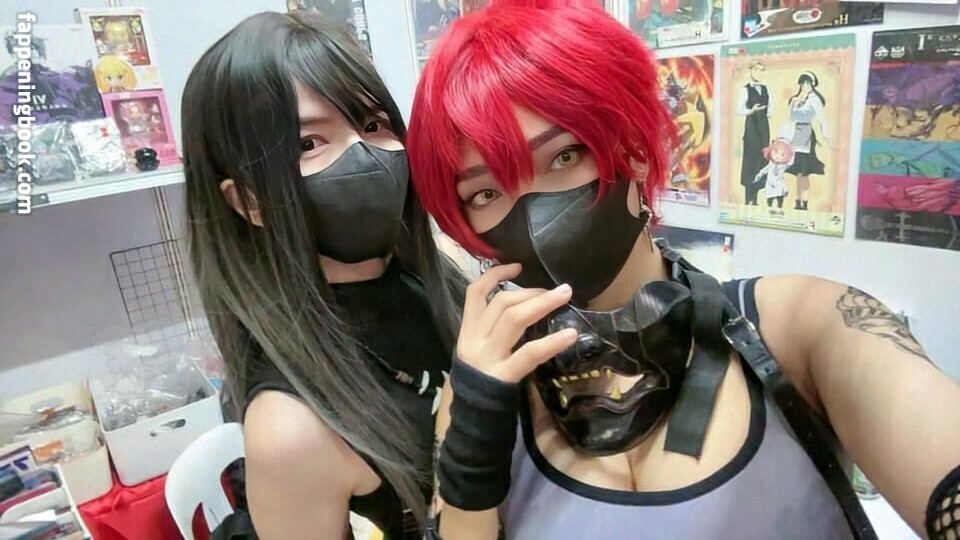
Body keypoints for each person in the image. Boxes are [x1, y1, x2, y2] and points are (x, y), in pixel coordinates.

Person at [406, 2, 960, 539]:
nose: (534, 215)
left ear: (632, 148)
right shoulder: (483, 396)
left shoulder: (804, 328)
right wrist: (475, 443)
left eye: (564, 156)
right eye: (485, 192)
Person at [181, 12, 465, 539]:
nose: (365, 154)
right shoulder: (291, 427)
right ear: (249, 200)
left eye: (374, 125)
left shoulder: (437, 283)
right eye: (309, 144)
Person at [785, 71, 831, 211]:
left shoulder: (814, 100)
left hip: (806, 136)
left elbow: (822, 119)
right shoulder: (795, 100)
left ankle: (804, 202)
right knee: (797, 172)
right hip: (795, 135)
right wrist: (797, 101)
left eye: (807, 83)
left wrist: (827, 138)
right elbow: (791, 117)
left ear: (813, 84)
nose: (805, 85)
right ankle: (797, 200)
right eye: (803, 83)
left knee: (803, 172)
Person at [736, 60, 773, 206]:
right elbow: (739, 109)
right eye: (756, 69)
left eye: (761, 70)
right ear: (751, 70)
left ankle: (756, 196)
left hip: (764, 128)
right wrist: (751, 111)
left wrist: (765, 113)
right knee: (750, 161)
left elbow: (770, 110)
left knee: (762, 160)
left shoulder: (766, 89)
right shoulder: (745, 89)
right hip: (752, 127)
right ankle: (749, 197)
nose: (758, 73)